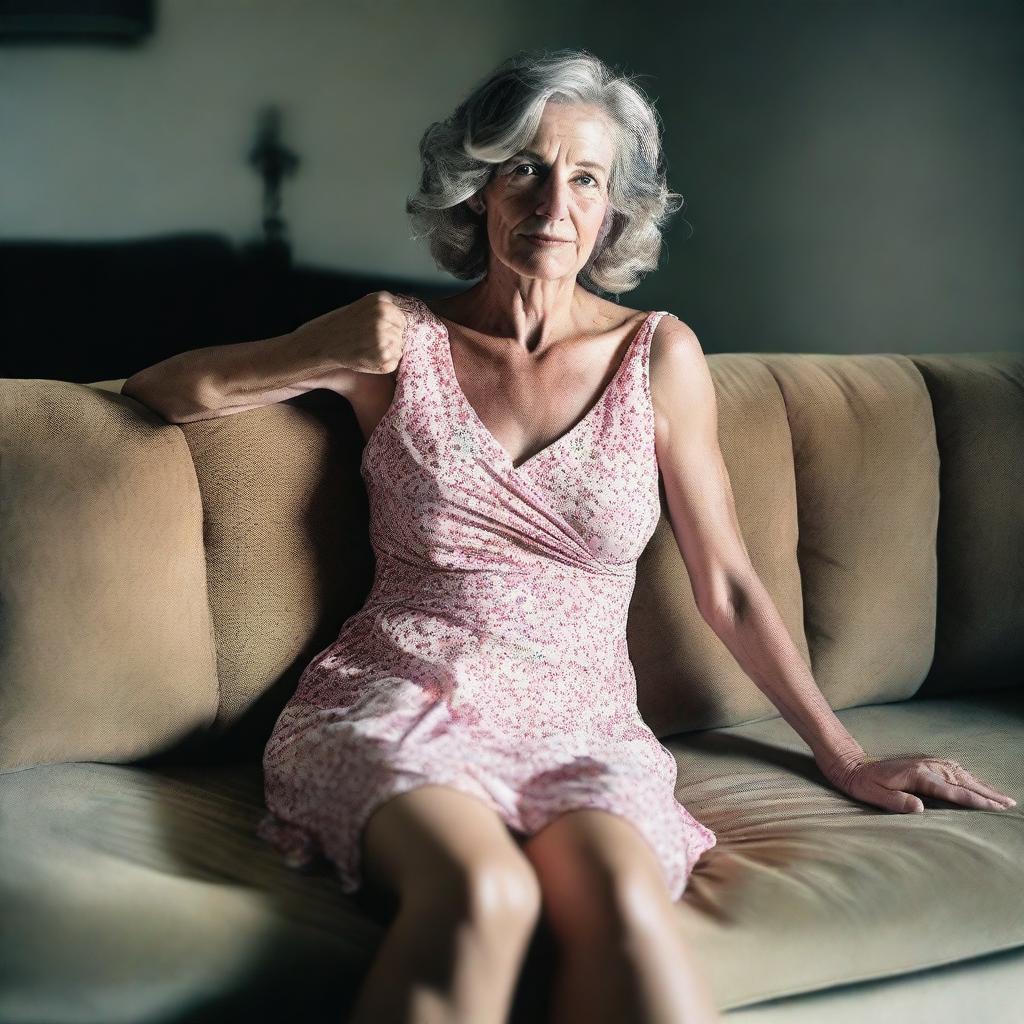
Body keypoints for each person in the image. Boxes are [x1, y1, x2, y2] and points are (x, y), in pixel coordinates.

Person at [122, 47, 1016, 1024]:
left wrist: (842, 755)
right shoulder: (394, 344)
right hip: (401, 694)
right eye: (526, 168)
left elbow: (730, 586)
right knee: (482, 895)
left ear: (613, 207)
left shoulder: (655, 355)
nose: (553, 201)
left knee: (628, 908)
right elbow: (160, 393)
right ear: (478, 188)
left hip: (581, 717)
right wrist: (312, 347)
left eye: (584, 177)